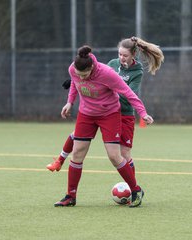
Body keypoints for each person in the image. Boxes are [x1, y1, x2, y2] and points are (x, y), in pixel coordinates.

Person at [54, 45, 155, 208]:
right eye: (80, 75)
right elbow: (74, 83)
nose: (83, 78)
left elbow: (129, 93)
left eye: (85, 74)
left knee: (115, 156)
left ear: (92, 67)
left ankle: (136, 190)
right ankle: (70, 196)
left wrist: (142, 113)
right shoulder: (73, 69)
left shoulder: (107, 73)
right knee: (77, 153)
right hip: (86, 114)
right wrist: (69, 102)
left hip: (109, 114)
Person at [47, 37, 164, 177]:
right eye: (120, 54)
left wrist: (105, 92)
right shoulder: (112, 64)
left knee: (124, 153)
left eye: (125, 55)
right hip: (103, 111)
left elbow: (128, 93)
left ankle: (132, 187)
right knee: (76, 135)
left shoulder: (137, 71)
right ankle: (60, 160)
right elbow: (95, 78)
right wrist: (78, 85)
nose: (121, 58)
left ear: (133, 55)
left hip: (124, 113)